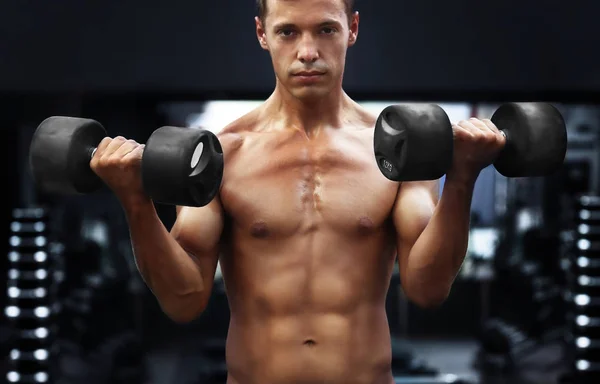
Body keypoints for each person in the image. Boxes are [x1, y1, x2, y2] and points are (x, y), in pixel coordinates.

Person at [89, 0, 506, 382]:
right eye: (288, 32)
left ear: (353, 28)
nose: (308, 51)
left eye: (326, 30)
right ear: (262, 34)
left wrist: (463, 179)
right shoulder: (219, 156)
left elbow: (428, 289)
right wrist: (136, 202)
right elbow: (183, 300)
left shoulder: (399, 154)